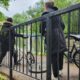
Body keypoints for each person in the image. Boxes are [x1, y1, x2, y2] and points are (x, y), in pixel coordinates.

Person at [40, 1, 66, 80]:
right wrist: (59, 31)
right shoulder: (58, 13)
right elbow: (63, 25)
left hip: (52, 37)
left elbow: (41, 28)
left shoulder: (45, 13)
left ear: (46, 6)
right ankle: (60, 71)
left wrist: (44, 33)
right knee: (60, 52)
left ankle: (55, 76)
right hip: (60, 35)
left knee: (53, 55)